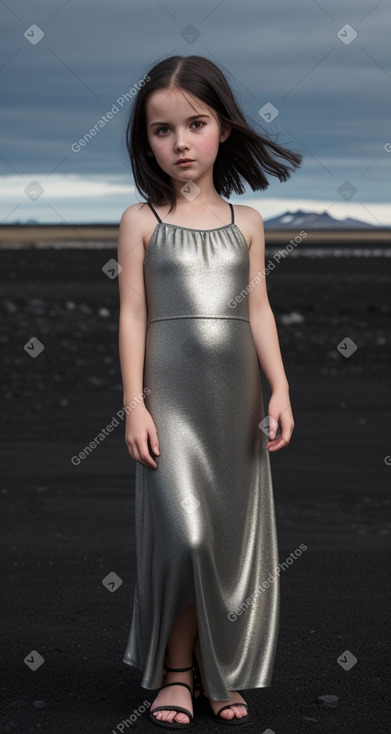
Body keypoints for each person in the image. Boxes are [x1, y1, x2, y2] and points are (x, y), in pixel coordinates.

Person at [117, 55, 301, 729]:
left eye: (194, 124)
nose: (180, 143)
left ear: (222, 127)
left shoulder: (246, 222)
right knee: (185, 538)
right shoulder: (140, 221)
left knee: (224, 542)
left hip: (235, 402)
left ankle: (217, 671)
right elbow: (133, 314)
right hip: (170, 404)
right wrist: (133, 403)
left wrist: (279, 388)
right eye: (161, 131)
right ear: (146, 141)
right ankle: (174, 672)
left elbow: (256, 310)